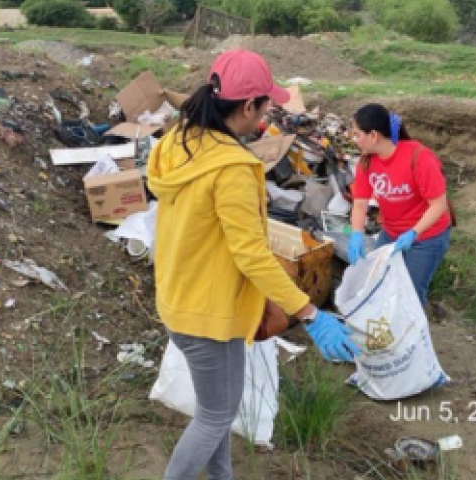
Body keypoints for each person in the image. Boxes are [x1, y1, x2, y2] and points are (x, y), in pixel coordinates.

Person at [147, 49, 360, 480]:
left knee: (216, 411)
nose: (269, 114)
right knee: (214, 417)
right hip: (208, 313)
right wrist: (309, 312)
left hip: (182, 298)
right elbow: (251, 253)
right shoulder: (233, 168)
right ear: (249, 107)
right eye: (267, 105)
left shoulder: (179, 143)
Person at [347, 103, 452, 308]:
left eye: (357, 134)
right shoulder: (366, 162)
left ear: (374, 136)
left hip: (427, 236)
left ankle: (412, 338)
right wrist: (356, 234)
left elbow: (438, 205)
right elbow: (360, 204)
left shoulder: (418, 157)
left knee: (410, 293)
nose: (355, 140)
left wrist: (413, 233)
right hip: (391, 233)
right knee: (378, 283)